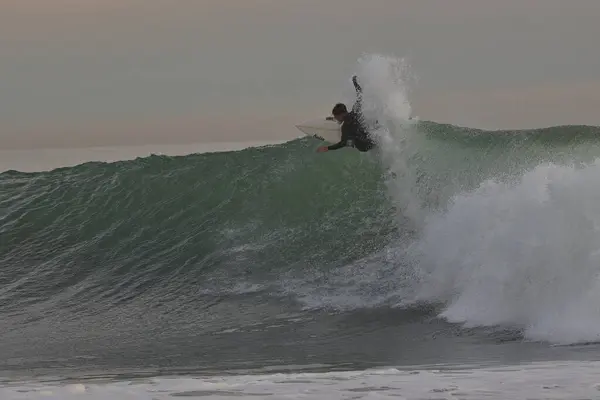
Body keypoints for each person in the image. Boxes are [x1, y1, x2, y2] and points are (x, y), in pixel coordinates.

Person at [317, 75, 375, 153]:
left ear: (341, 115)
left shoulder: (345, 127)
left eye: (336, 117)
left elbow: (342, 143)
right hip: (372, 141)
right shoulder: (355, 111)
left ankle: (352, 141)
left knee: (349, 141)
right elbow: (360, 96)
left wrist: (328, 148)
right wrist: (355, 82)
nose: (336, 118)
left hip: (364, 146)